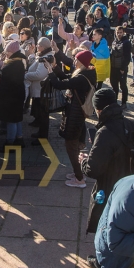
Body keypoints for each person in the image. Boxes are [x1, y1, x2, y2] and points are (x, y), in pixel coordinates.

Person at [79, 87, 134, 234]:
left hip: (111, 187)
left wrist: (84, 160)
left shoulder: (105, 132)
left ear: (99, 110)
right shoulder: (133, 125)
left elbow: (93, 169)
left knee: (108, 227)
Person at [47, 50, 97, 189]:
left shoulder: (81, 78)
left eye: (76, 59)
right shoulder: (87, 72)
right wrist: (55, 67)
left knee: (71, 147)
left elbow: (59, 84)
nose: (74, 62)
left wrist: (50, 71)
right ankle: (78, 172)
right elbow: (66, 78)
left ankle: (79, 179)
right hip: (77, 113)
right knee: (74, 146)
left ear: (82, 62)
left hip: (75, 115)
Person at [0, 40, 27, 148]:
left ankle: (10, 142)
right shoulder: (18, 62)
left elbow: (2, 74)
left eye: (8, 51)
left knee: (11, 120)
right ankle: (19, 138)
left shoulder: (13, 65)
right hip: (17, 94)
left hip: (11, 96)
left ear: (13, 52)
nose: (6, 53)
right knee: (17, 118)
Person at [109, 25, 131, 106]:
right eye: (117, 32)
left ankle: (124, 102)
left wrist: (123, 68)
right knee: (114, 85)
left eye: (120, 32)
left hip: (121, 68)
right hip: (113, 67)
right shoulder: (114, 41)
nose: (119, 34)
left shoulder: (126, 43)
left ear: (123, 33)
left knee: (123, 86)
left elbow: (128, 57)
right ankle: (114, 101)